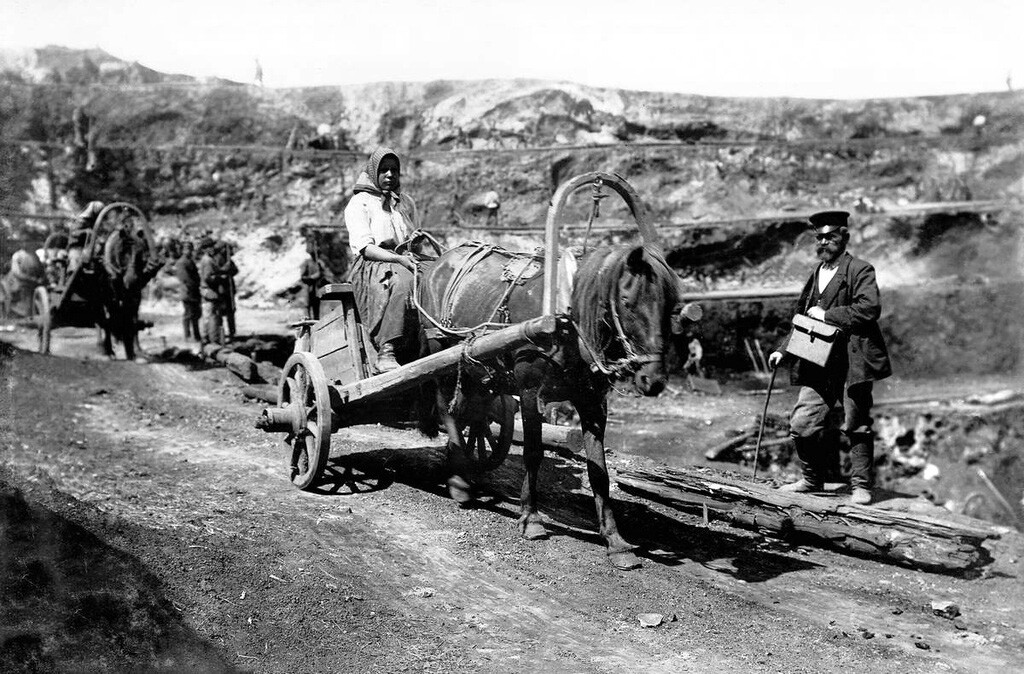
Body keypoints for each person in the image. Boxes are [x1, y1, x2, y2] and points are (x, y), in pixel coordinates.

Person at [768, 211, 892, 505]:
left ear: (844, 238)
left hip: (852, 361)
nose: (824, 242)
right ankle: (812, 480)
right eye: (819, 238)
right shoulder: (816, 274)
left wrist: (828, 315)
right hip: (818, 361)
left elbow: (869, 309)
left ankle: (861, 486)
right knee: (802, 423)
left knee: (856, 423)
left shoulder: (860, 270)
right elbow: (802, 319)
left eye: (830, 237)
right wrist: (782, 350)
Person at [343, 146, 420, 373]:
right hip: (373, 262)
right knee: (403, 282)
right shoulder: (361, 203)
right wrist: (399, 259)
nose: (389, 175)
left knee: (439, 275)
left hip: (404, 256)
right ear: (373, 172)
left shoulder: (406, 202)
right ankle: (387, 349)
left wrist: (415, 246)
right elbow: (365, 248)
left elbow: (414, 237)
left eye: (394, 170)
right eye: (384, 170)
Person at [174, 241, 201, 341]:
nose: (189, 251)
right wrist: (194, 286)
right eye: (186, 249)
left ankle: (196, 335)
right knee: (188, 314)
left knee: (195, 315)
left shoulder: (189, 261)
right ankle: (188, 335)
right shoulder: (182, 262)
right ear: (182, 250)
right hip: (188, 291)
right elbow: (185, 279)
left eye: (190, 249)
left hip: (193, 291)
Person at [299, 238, 329, 319]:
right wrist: (313, 277)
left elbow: (325, 275)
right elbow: (302, 277)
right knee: (307, 311)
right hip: (308, 290)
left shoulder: (319, 263)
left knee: (317, 313)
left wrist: (321, 274)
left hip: (317, 290)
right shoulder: (307, 262)